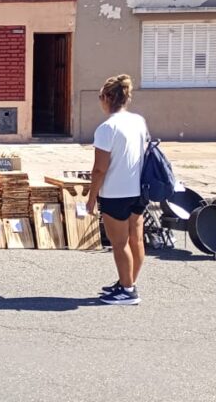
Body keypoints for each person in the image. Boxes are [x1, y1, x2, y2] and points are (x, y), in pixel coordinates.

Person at [86, 75, 149, 306]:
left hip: (115, 192)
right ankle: (128, 282)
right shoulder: (138, 121)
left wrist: (91, 199)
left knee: (120, 243)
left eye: (100, 97)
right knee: (136, 240)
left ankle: (127, 290)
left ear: (107, 98)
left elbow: (99, 169)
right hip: (138, 190)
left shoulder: (106, 128)